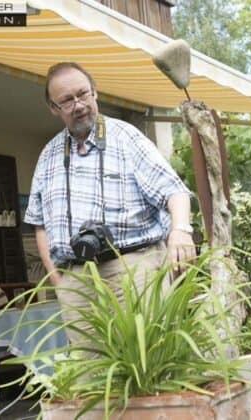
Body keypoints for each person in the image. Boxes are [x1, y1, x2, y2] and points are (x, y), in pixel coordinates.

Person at [24, 62, 195, 343]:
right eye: (67, 100)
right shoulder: (49, 154)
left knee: (149, 363)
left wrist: (181, 230)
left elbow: (173, 191)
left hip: (134, 269)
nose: (78, 105)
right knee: (88, 377)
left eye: (83, 94)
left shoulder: (126, 137)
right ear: (54, 108)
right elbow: (39, 224)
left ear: (95, 92)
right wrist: (59, 280)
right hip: (76, 281)